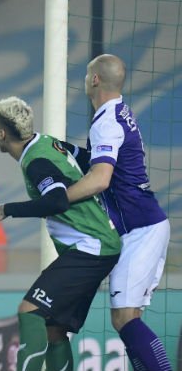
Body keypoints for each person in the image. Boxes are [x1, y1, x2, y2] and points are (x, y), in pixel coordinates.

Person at [0, 96, 121, 371]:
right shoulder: (48, 142)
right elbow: (87, 158)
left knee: (29, 311)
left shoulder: (35, 162)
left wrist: (5, 210)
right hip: (98, 244)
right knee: (53, 329)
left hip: (90, 247)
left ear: (1, 133)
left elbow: (56, 200)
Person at [63, 54, 172, 370]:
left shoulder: (107, 121)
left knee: (124, 318)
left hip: (140, 228)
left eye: (86, 74)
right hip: (145, 223)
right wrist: (66, 149)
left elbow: (100, 179)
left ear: (94, 79)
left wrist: (59, 200)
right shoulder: (119, 112)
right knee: (126, 316)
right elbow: (103, 161)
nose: (85, 79)